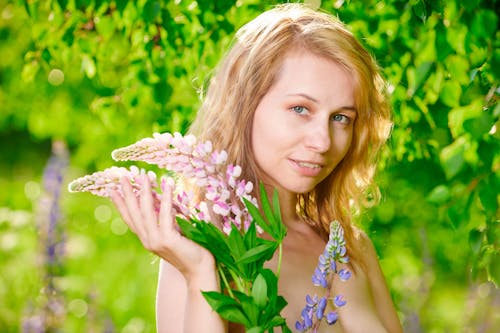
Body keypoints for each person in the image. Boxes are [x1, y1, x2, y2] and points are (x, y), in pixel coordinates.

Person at [109, 3, 403, 332]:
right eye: (300, 109)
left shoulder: (351, 247)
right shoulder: (202, 243)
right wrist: (200, 275)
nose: (322, 141)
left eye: (340, 118)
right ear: (245, 105)